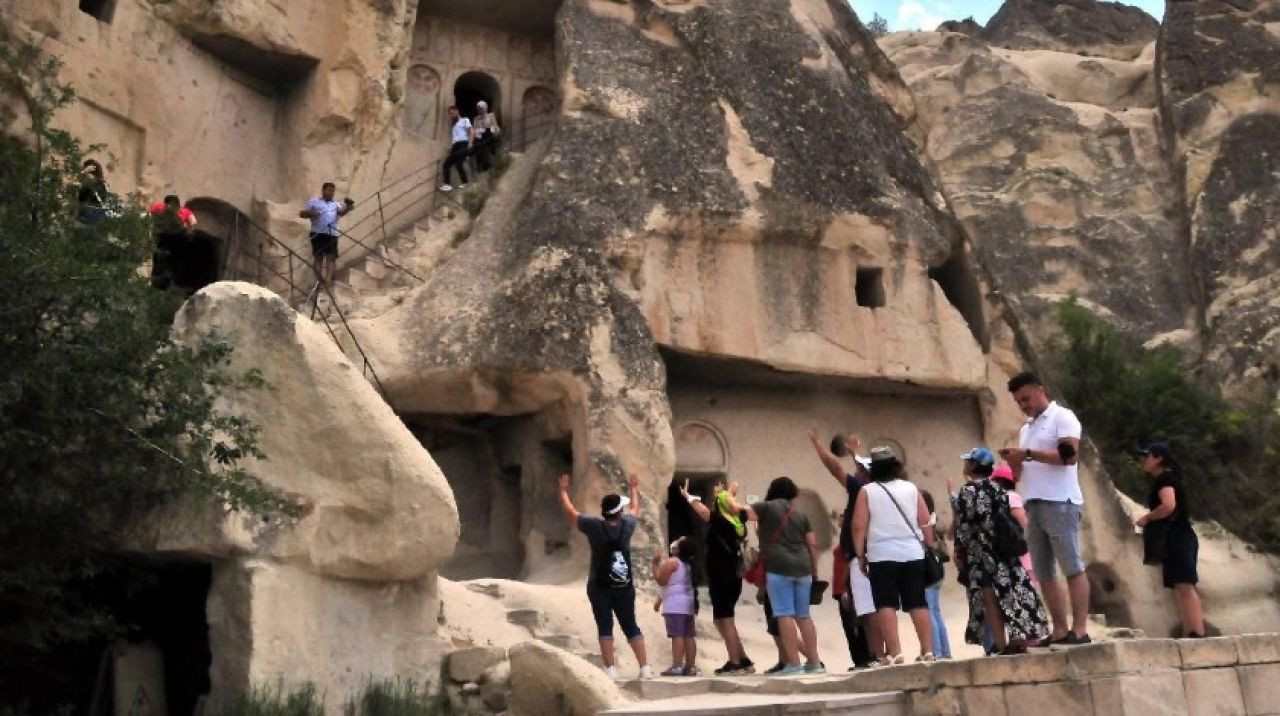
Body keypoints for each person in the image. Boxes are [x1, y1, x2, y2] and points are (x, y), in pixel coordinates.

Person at [1001, 371, 1090, 646]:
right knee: (1043, 571)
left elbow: (1068, 456)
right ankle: (1060, 629)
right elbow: (1021, 473)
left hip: (1060, 501)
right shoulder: (1027, 428)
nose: (1024, 405)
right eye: (1019, 401)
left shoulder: (1063, 417)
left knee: (1071, 566)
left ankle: (1080, 629)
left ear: (1041, 390)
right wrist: (1015, 463)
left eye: (1026, 398)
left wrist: (1027, 454)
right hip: (1034, 502)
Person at [953, 447, 1049, 656]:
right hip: (1005, 551)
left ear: (973, 465)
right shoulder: (998, 489)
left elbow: (964, 526)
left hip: (981, 553)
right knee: (1012, 593)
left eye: (968, 461)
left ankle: (1000, 643)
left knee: (989, 598)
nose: (965, 465)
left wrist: (960, 553)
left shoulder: (966, 491)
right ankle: (1019, 637)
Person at [558, 472, 651, 680]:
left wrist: (563, 491)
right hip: (624, 586)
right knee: (631, 625)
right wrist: (634, 488)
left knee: (604, 626)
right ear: (619, 511)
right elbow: (635, 509)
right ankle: (645, 667)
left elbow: (571, 512)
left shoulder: (594, 526)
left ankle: (610, 669)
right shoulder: (627, 525)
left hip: (599, 585)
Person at [851, 445, 935, 664]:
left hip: (881, 553)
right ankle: (927, 651)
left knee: (885, 603)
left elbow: (858, 525)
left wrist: (860, 555)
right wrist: (930, 545)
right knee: (918, 602)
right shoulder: (910, 488)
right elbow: (925, 520)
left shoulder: (867, 491)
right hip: (912, 552)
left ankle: (896, 652)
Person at [806, 428, 879, 667]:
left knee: (864, 612)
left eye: (859, 469)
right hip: (875, 556)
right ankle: (877, 655)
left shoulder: (862, 489)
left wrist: (817, 444)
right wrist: (856, 454)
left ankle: (873, 657)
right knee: (871, 610)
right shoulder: (883, 490)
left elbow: (835, 468)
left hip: (862, 559)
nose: (855, 472)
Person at [740, 477, 824, 676]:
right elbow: (812, 544)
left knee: (784, 613)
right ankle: (814, 662)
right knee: (803, 615)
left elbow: (744, 513)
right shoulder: (801, 514)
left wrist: (728, 498)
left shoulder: (766, 507)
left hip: (779, 567)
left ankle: (794, 664)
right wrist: (814, 571)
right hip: (803, 568)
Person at [685, 478, 756, 675]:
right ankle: (742, 658)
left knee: (725, 619)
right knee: (722, 618)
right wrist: (726, 494)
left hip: (722, 576)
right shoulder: (739, 520)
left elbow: (702, 511)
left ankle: (735, 663)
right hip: (734, 576)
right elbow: (729, 505)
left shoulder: (720, 522)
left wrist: (687, 496)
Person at [1135, 443, 1204, 638]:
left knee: (1184, 585)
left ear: (1158, 458)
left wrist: (1147, 518)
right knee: (1181, 586)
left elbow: (1168, 505)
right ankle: (1191, 631)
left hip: (1177, 536)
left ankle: (1196, 632)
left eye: (1147, 456)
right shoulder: (1169, 478)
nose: (1144, 460)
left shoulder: (1165, 479)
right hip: (1180, 535)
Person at [652, 536, 699, 676]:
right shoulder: (690, 565)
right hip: (688, 604)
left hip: (674, 605)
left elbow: (661, 581)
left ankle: (677, 666)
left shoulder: (673, 562)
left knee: (677, 635)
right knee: (689, 636)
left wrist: (654, 565)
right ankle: (690, 667)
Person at [298, 182, 355, 289]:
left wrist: (348, 207)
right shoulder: (314, 202)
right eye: (329, 190)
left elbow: (341, 213)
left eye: (333, 191)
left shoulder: (335, 204)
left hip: (332, 234)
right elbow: (302, 214)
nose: (331, 193)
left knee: (331, 257)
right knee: (318, 258)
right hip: (317, 233)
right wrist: (312, 213)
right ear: (323, 190)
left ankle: (328, 281)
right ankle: (319, 280)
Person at [920, 490, 952, 659]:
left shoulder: (925, 522)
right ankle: (944, 650)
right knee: (935, 611)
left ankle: (937, 651)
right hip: (937, 570)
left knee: (929, 611)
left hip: (927, 570)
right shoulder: (934, 520)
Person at [148, 195, 198, 290]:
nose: (168, 207)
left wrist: (187, 232)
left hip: (174, 239)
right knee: (160, 260)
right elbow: (150, 214)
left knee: (171, 261)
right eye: (167, 205)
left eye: (170, 206)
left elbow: (193, 222)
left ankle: (168, 284)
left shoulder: (185, 212)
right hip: (162, 237)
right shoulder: (159, 207)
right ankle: (158, 283)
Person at [440, 105, 473, 192]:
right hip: (455, 146)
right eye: (450, 114)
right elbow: (454, 139)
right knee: (446, 164)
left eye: (452, 113)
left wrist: (470, 143)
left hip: (463, 143)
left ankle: (465, 182)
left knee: (459, 163)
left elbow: (471, 131)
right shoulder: (454, 127)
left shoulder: (465, 120)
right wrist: (451, 148)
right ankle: (447, 184)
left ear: (457, 111)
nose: (451, 115)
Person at [472, 100, 501, 172]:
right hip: (480, 136)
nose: (479, 110)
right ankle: (479, 167)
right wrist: (477, 133)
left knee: (485, 148)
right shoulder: (476, 119)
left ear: (485, 108)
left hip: (489, 134)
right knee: (478, 147)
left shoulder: (491, 115)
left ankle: (487, 166)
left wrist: (496, 130)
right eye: (478, 108)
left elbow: (495, 125)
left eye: (481, 108)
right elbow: (475, 129)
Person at [77, 159, 109, 225]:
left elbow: (79, 196)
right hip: (97, 218)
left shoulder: (92, 182)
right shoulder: (103, 185)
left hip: (86, 216)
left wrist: (84, 171)